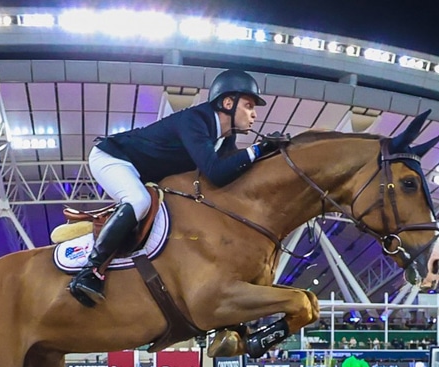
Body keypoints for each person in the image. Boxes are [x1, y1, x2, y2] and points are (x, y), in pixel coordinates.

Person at [68, 69, 283, 306]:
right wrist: (258, 149)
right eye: (249, 106)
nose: (253, 115)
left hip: (142, 172)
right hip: (113, 159)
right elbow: (216, 173)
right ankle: (89, 271)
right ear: (228, 102)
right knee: (139, 201)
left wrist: (269, 155)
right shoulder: (195, 120)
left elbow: (231, 176)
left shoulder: (225, 138)